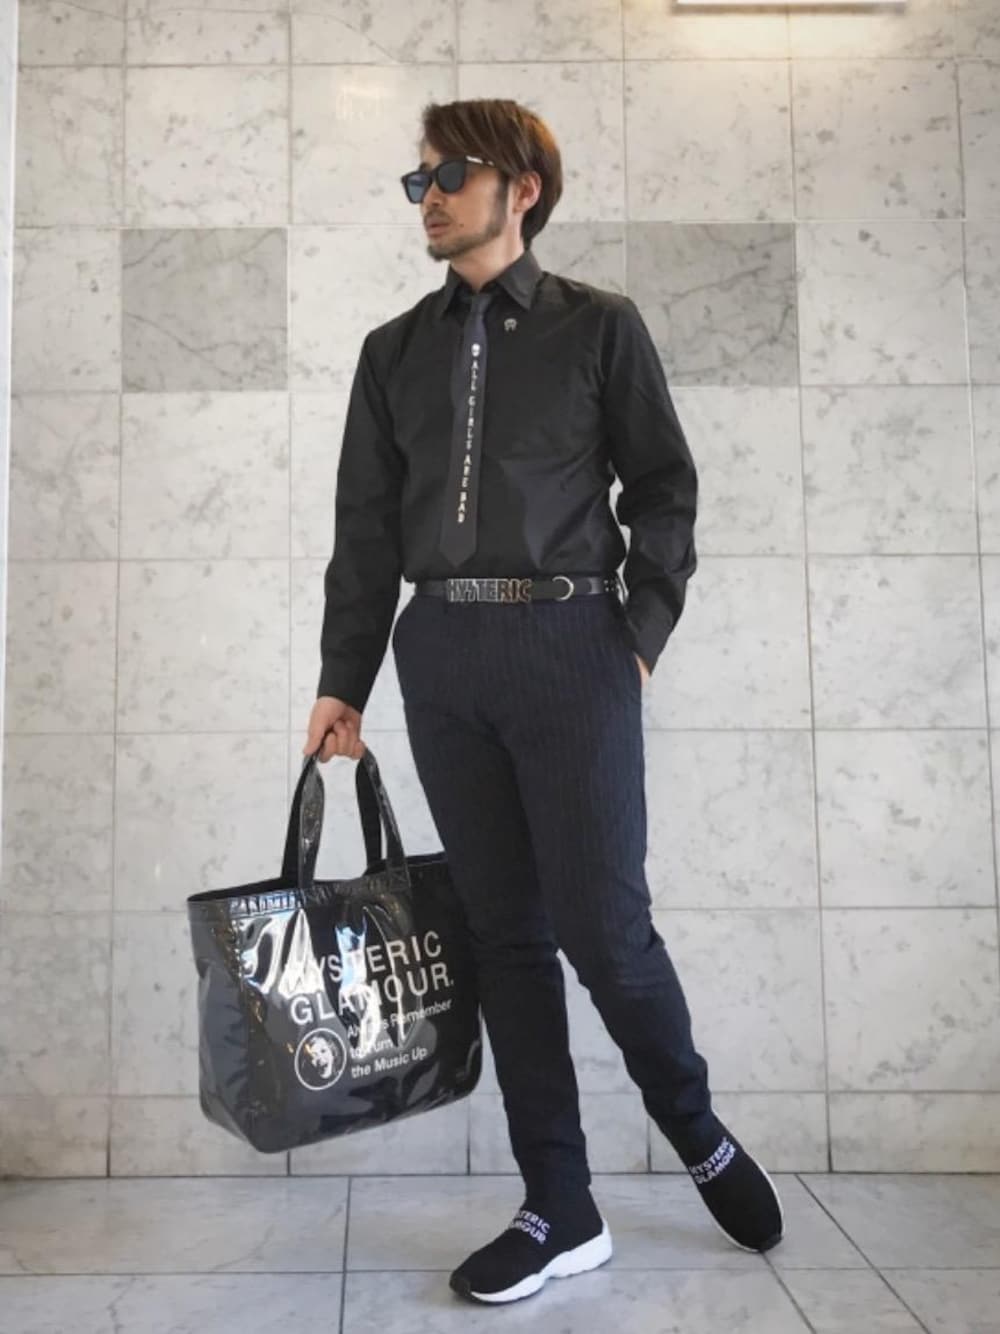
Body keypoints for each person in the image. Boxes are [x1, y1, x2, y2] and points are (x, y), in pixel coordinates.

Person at [303, 96, 784, 1306]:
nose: (428, 197)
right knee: (503, 936)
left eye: (449, 174)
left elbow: (664, 490)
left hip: (572, 645)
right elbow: (364, 531)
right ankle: (559, 1204)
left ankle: (695, 1127)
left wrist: (637, 640)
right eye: (417, 179)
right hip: (442, 655)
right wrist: (342, 679)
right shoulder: (391, 351)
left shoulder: (597, 327)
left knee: (604, 929)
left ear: (521, 188)